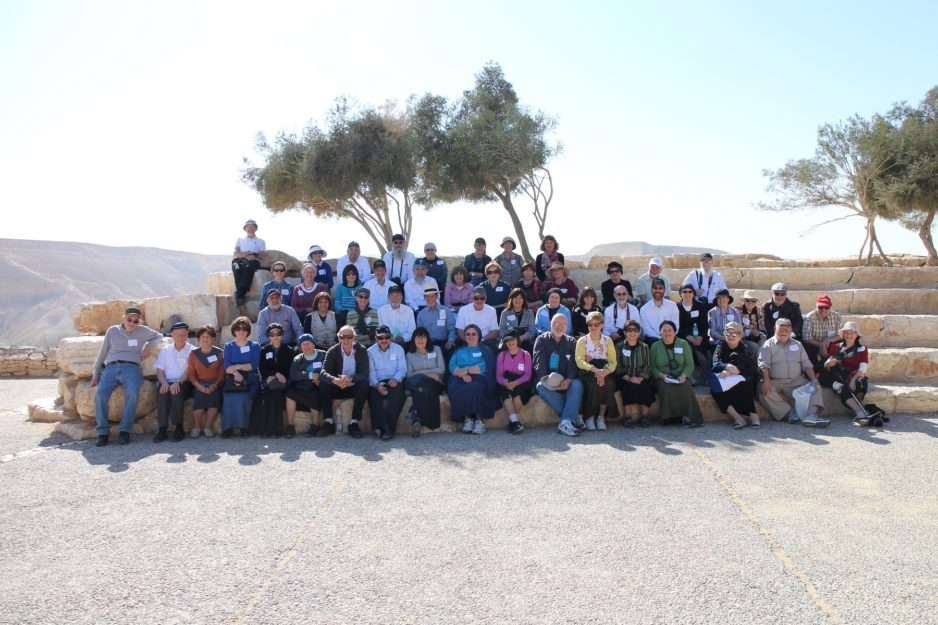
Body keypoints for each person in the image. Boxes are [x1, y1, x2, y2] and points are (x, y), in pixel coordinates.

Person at [91, 306, 164, 446]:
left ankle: (125, 431)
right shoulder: (112, 331)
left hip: (131, 368)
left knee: (132, 392)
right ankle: (102, 433)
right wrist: (96, 374)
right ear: (124, 318)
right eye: (129, 319)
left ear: (139, 322)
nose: (132, 323)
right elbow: (103, 352)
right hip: (111, 368)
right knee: (100, 394)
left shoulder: (143, 331)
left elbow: (159, 336)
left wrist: (149, 346)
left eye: (136, 321)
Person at [758, 318, 826, 425]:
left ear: (791, 331)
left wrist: (814, 379)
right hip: (776, 381)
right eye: (781, 328)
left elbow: (806, 364)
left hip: (796, 381)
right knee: (763, 390)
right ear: (775, 329)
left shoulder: (798, 345)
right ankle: (789, 413)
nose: (784, 331)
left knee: (815, 386)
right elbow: (764, 364)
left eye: (787, 329)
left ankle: (811, 416)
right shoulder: (767, 345)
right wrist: (766, 381)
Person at [533, 314, 584, 436]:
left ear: (567, 327)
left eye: (563, 324)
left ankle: (565, 421)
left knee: (577, 385)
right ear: (551, 324)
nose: (560, 327)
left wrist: (569, 379)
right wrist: (549, 381)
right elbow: (539, 362)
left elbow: (574, 364)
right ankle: (571, 417)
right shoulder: (541, 340)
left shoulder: (572, 342)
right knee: (540, 387)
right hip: (548, 380)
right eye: (557, 323)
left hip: (567, 380)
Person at [650, 320, 703, 427]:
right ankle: (670, 417)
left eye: (670, 330)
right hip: (663, 377)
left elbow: (689, 364)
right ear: (660, 333)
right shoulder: (655, 346)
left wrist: (684, 375)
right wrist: (661, 375)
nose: (667, 333)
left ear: (675, 332)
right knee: (666, 387)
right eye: (664, 330)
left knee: (685, 386)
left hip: (680, 375)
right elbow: (652, 367)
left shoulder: (683, 344)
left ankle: (690, 416)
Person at [320, 325, 370, 438]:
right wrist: (335, 380)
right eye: (342, 337)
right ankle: (328, 422)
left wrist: (350, 378)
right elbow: (323, 372)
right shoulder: (333, 351)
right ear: (338, 338)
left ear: (354, 338)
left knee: (364, 383)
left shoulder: (361, 350)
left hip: (353, 386)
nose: (346, 340)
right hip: (337, 386)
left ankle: (354, 422)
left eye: (349, 337)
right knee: (324, 384)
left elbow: (364, 373)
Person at [709, 321, 760, 429]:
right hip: (725, 377)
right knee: (715, 390)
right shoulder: (721, 346)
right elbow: (715, 364)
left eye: (734, 333)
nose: (730, 336)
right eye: (728, 333)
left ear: (740, 336)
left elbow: (751, 368)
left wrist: (737, 371)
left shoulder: (745, 348)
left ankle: (754, 416)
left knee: (745, 385)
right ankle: (738, 418)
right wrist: (727, 367)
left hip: (742, 377)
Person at [447, 324, 497, 434]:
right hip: (460, 376)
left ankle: (479, 420)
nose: (471, 336)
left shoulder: (486, 350)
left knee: (476, 387)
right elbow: (452, 365)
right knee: (453, 388)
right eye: (468, 334)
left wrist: (467, 370)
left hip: (480, 376)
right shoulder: (459, 351)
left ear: (479, 335)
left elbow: (485, 365)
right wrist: (462, 374)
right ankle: (468, 418)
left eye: (474, 334)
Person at [575, 311, 619, 430]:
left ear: (602, 325)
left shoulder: (608, 340)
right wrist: (593, 369)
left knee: (608, 383)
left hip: (604, 370)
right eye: (590, 324)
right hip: (587, 371)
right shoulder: (582, 341)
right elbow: (579, 360)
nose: (593, 327)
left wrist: (605, 372)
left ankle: (601, 416)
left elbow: (613, 361)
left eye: (596, 324)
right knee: (594, 384)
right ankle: (589, 417)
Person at [823, 321, 872, 424]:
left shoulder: (862, 349)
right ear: (843, 334)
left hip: (854, 375)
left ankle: (859, 409)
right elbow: (827, 366)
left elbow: (863, 368)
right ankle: (860, 412)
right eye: (846, 332)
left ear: (856, 334)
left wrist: (853, 381)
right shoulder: (836, 347)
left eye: (852, 332)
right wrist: (827, 364)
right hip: (839, 377)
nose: (849, 335)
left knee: (862, 382)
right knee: (842, 388)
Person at [153, 321, 193, 443]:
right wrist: (164, 383)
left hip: (184, 383)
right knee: (163, 392)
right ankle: (162, 429)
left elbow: (188, 372)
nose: (181, 337)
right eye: (178, 334)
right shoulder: (165, 350)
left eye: (183, 334)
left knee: (176, 391)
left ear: (187, 335)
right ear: (172, 335)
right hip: (167, 381)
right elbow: (159, 371)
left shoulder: (192, 351)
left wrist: (177, 382)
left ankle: (179, 428)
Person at [221, 316, 261, 437]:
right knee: (228, 398)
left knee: (244, 398)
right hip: (232, 379)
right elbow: (227, 366)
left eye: (244, 328)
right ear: (234, 330)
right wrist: (236, 373)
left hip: (250, 379)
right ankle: (227, 428)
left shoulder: (254, 346)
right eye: (238, 328)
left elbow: (253, 365)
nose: (241, 331)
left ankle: (245, 427)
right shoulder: (228, 346)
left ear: (248, 330)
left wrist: (236, 367)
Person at [367, 325, 407, 440]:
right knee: (373, 398)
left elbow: (402, 369)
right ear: (376, 338)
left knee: (398, 398)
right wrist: (376, 385)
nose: (384, 340)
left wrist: (395, 379)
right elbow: (371, 372)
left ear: (391, 337)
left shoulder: (398, 349)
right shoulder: (370, 352)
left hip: (394, 380)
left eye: (387, 337)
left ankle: (381, 427)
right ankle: (388, 429)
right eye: (381, 338)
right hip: (378, 382)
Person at [405, 327, 446, 435]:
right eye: (417, 337)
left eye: (423, 337)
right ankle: (418, 420)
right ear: (413, 340)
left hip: (436, 383)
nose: (420, 340)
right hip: (419, 384)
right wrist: (428, 373)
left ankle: (415, 416)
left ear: (427, 339)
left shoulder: (436, 349)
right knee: (423, 386)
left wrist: (419, 372)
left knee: (423, 387)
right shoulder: (409, 355)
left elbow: (441, 369)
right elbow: (409, 375)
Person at [614, 320, 654, 427]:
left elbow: (648, 365)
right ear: (624, 332)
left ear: (639, 333)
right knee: (628, 386)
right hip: (625, 377)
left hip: (641, 377)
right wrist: (629, 378)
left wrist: (640, 378)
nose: (632, 332)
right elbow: (618, 366)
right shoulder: (619, 347)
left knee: (646, 386)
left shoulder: (645, 347)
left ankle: (644, 416)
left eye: (635, 330)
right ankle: (628, 417)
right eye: (629, 330)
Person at [286, 334, 327, 437]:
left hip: (315, 385)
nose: (306, 346)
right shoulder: (298, 358)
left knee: (315, 395)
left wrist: (321, 379)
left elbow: (329, 370)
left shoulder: (323, 355)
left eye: (308, 343)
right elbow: (293, 374)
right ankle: (290, 426)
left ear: (314, 344)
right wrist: (310, 375)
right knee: (290, 394)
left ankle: (315, 425)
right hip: (301, 385)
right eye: (303, 344)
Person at [187, 324, 224, 438]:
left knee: (214, 397)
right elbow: (191, 374)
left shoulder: (220, 353)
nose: (205, 339)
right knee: (200, 397)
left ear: (213, 338)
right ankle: (196, 427)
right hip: (198, 384)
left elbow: (222, 373)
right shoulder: (193, 354)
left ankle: (207, 427)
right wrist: (199, 386)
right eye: (202, 336)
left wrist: (215, 385)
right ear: (198, 339)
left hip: (214, 384)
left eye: (208, 336)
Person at [258, 323, 294, 437]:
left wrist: (278, 376)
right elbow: (262, 368)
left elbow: (290, 370)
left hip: (284, 381)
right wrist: (275, 374)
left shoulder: (289, 350)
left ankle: (275, 430)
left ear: (282, 335)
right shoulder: (264, 350)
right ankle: (268, 430)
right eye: (272, 334)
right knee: (269, 394)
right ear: (268, 336)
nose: (275, 336)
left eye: (278, 333)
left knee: (276, 394)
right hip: (268, 380)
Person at [496, 328, 533, 434]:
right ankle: (515, 423)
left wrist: (516, 383)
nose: (510, 342)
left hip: (521, 382)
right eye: (507, 340)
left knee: (517, 398)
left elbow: (527, 375)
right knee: (507, 396)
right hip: (506, 382)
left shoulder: (525, 354)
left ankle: (513, 422)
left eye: (512, 339)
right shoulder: (502, 355)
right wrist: (505, 382)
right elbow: (498, 376)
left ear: (517, 339)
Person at [803, 294, 844, 383]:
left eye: (826, 307)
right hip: (814, 344)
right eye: (820, 307)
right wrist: (821, 345)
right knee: (807, 347)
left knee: (844, 343)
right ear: (816, 306)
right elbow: (806, 338)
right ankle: (814, 374)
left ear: (830, 308)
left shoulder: (836, 316)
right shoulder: (809, 317)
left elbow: (841, 334)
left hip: (831, 342)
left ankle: (840, 372)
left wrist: (829, 340)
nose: (823, 310)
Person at [415, 285, 457, 359]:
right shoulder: (421, 314)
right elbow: (420, 333)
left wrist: (451, 340)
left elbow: (452, 329)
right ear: (424, 298)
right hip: (427, 343)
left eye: (432, 296)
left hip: (444, 342)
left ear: (437, 296)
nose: (430, 299)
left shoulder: (446, 310)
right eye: (427, 297)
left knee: (452, 349)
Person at [677, 283, 711, 371]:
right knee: (687, 346)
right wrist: (687, 336)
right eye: (684, 291)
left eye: (690, 291)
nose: (687, 294)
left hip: (699, 336)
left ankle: (706, 372)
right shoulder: (676, 307)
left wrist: (701, 337)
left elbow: (704, 324)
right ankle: (689, 373)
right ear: (680, 294)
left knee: (701, 351)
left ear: (693, 294)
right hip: (683, 336)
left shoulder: (700, 306)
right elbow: (676, 326)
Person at [232, 219, 266, 304]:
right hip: (240, 260)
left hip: (253, 260)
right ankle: (241, 292)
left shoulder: (261, 241)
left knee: (248, 267)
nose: (250, 229)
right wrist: (246, 255)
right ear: (245, 229)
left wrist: (254, 255)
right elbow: (235, 253)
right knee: (236, 267)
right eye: (248, 227)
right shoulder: (240, 240)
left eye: (252, 227)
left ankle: (240, 294)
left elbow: (262, 255)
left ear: (256, 228)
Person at [455, 286, 500, 351]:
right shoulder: (463, 310)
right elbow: (460, 332)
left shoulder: (492, 310)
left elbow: (494, 332)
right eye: (476, 298)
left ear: (486, 298)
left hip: (485, 341)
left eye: (482, 298)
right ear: (472, 298)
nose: (479, 300)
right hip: (467, 340)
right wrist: (470, 342)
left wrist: (482, 340)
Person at [639, 278, 680, 345]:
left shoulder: (672, 306)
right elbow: (646, 329)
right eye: (655, 288)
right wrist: (659, 338)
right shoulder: (644, 309)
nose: (658, 290)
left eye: (660, 288)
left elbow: (676, 326)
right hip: (653, 340)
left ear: (664, 290)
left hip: (670, 337)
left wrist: (666, 337)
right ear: (651, 290)